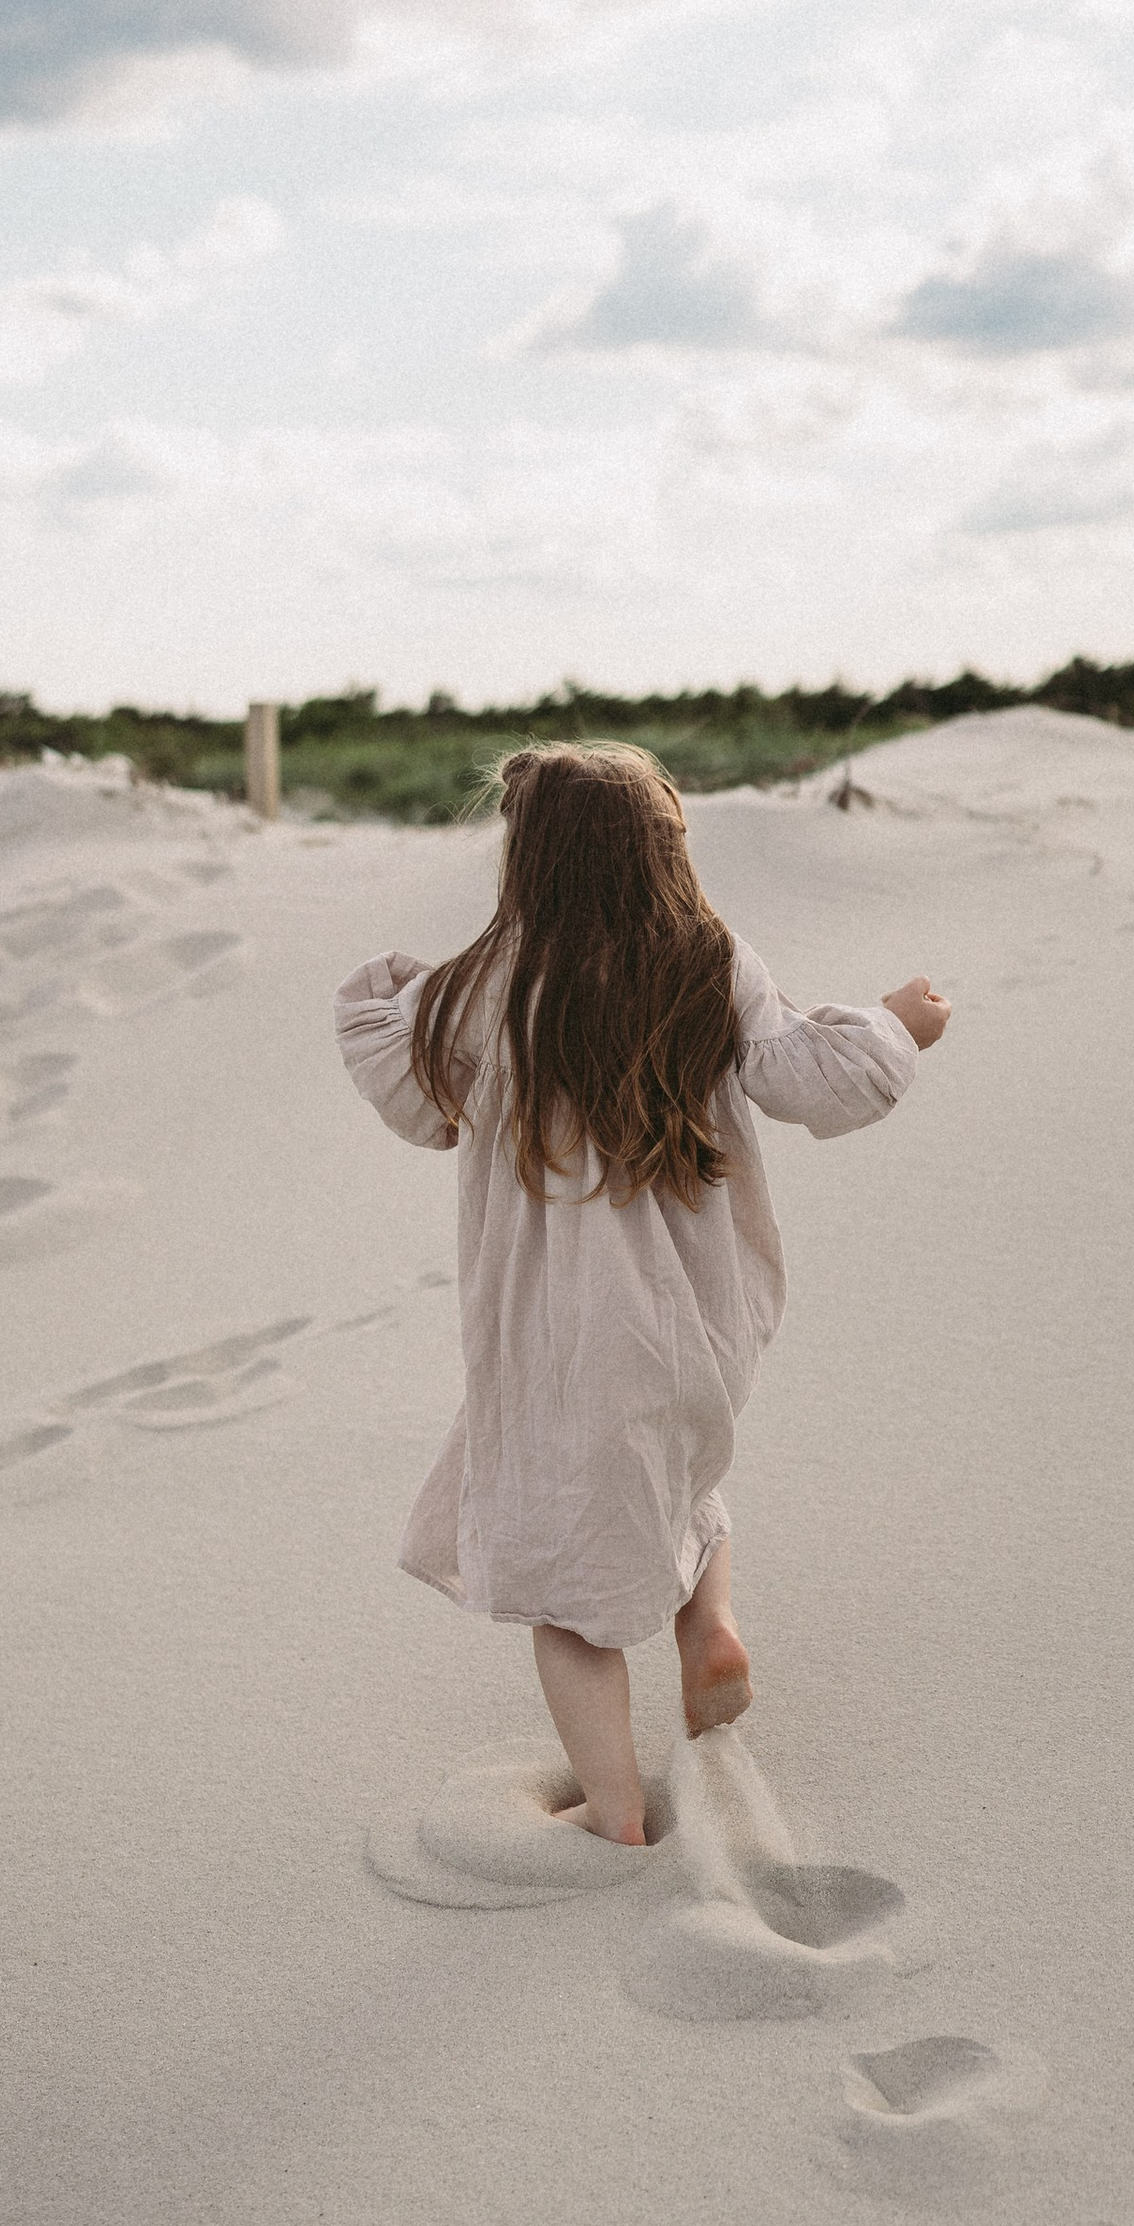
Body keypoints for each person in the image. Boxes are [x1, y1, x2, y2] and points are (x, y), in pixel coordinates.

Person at [335, 741, 950, 1845]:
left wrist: (399, 993)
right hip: (696, 1323)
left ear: (530, 858)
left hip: (555, 1341)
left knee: (566, 1588)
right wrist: (899, 1025)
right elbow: (810, 1076)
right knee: (676, 1479)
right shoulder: (709, 961)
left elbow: (415, 1102)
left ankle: (615, 1807)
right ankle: (708, 1629)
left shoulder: (491, 982)